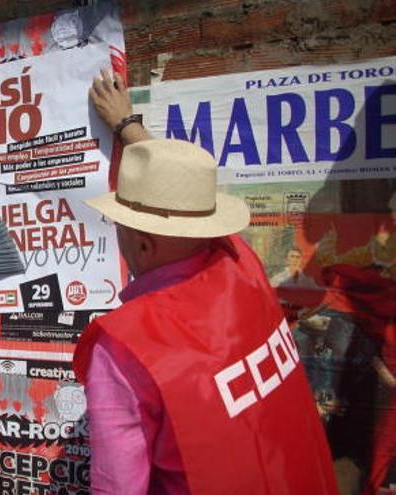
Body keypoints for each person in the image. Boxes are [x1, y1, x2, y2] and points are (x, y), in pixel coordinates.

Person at [74, 69, 338, 494]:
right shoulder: (241, 264)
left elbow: (117, 487)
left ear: (143, 245)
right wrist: (127, 126)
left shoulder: (125, 347)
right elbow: (185, 197)